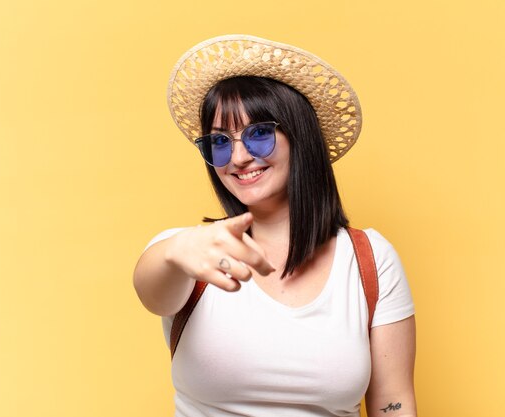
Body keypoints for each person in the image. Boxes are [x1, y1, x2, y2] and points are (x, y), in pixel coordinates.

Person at [133, 35, 417, 417]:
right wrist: (176, 253)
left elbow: (392, 403)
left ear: (299, 137)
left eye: (259, 134)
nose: (237, 157)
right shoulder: (191, 253)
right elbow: (153, 289)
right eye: (219, 142)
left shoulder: (370, 259)